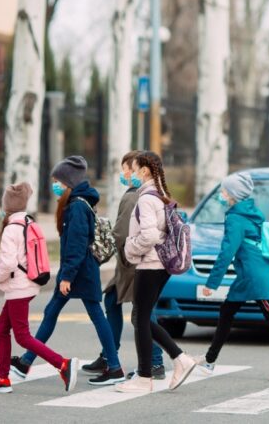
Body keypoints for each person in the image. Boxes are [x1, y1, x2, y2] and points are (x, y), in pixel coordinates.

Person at [10, 156, 125, 386]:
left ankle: (114, 367)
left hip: (79, 272)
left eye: (57, 181)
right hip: (79, 270)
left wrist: (67, 277)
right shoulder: (77, 203)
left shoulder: (77, 207)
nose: (54, 185)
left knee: (93, 315)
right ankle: (26, 361)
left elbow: (76, 244)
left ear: (68, 183)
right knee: (53, 312)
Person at [196, 172, 269, 382]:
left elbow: (227, 251)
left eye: (224, 191)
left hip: (254, 273)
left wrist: (212, 282)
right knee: (228, 312)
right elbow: (265, 246)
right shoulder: (252, 213)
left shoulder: (235, 218)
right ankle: (209, 361)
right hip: (251, 272)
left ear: (233, 194)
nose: (222, 194)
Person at [0, 183, 79, 394]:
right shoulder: (28, 222)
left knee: (22, 336)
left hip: (18, 287)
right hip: (29, 283)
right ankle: (2, 377)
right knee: (1, 329)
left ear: (7, 206)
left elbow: (7, 264)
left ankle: (62, 364)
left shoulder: (10, 229)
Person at [116, 151, 196, 393]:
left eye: (135, 167)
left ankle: (146, 375)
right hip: (160, 265)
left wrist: (131, 248)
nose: (130, 173)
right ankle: (178, 359)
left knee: (141, 318)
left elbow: (149, 235)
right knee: (143, 316)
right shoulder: (159, 195)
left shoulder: (146, 199)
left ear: (145, 171)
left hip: (150, 264)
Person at [82, 150, 165, 380]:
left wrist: (98, 254)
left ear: (138, 170)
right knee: (117, 302)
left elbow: (120, 233)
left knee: (142, 312)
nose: (124, 173)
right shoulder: (153, 192)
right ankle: (110, 356)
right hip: (136, 262)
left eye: (126, 168)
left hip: (133, 263)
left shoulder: (133, 196)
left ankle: (155, 361)